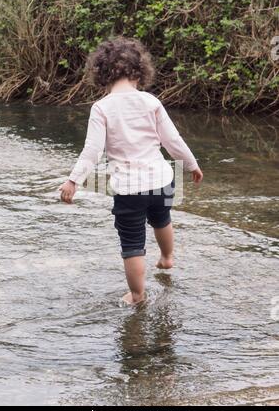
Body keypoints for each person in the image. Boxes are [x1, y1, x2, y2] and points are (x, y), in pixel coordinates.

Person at [59, 36, 203, 305]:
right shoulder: (151, 102)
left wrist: (73, 180)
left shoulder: (101, 108)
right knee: (162, 219)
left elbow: (92, 151)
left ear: (102, 74)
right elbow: (173, 141)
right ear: (139, 71)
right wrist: (192, 165)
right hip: (162, 180)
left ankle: (137, 295)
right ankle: (167, 257)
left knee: (132, 244)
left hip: (129, 188)